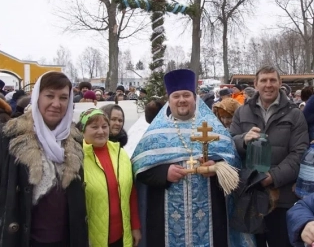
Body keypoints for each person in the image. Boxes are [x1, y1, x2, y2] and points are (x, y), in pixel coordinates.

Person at [132, 69, 241, 247]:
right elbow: (139, 171)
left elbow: (233, 163)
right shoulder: (154, 135)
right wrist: (164, 173)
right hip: (165, 221)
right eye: (176, 96)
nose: (181, 100)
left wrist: (216, 167)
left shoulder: (214, 129)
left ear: (195, 98)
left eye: (186, 95)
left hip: (211, 218)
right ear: (169, 100)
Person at [0, 71, 88, 247]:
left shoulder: (75, 142)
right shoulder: (12, 139)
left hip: (66, 241)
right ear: (37, 97)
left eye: (63, 98)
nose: (56, 104)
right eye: (49, 96)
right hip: (25, 241)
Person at [230, 65, 309, 247]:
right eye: (263, 80)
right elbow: (229, 143)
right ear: (255, 84)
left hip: (281, 198)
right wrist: (243, 140)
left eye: (273, 80)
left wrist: (272, 177)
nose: (268, 85)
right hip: (249, 196)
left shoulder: (294, 114)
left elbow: (299, 154)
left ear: (280, 83)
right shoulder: (242, 111)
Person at [78, 108, 141, 247]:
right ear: (83, 130)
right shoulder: (77, 159)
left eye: (104, 126)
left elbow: (131, 193)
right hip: (91, 239)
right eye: (94, 127)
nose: (101, 131)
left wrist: (135, 226)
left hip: (121, 236)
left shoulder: (120, 153)